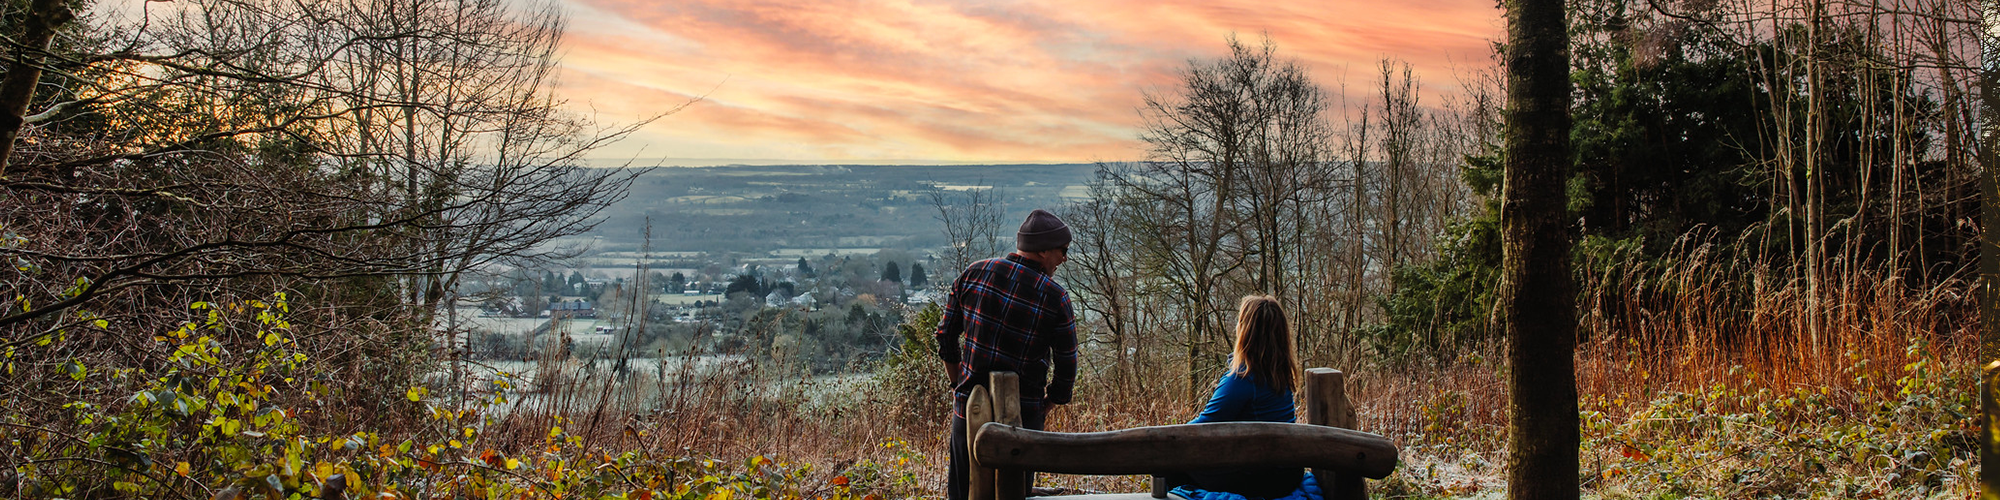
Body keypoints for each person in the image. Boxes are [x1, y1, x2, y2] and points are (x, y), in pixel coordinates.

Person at [935, 209, 1079, 500]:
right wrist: (1047, 404)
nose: (1064, 258)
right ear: (1042, 250)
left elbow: (945, 335)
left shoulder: (974, 273)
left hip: (967, 408)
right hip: (1023, 419)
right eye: (1062, 251)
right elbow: (1067, 366)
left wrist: (956, 385)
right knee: (1014, 492)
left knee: (962, 492)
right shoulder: (1055, 297)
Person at [1175, 295, 1303, 499]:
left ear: (1245, 332)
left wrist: (1170, 439)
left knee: (1172, 463)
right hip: (1287, 473)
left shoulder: (1242, 379)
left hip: (1262, 477)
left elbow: (1199, 428)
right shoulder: (1280, 372)